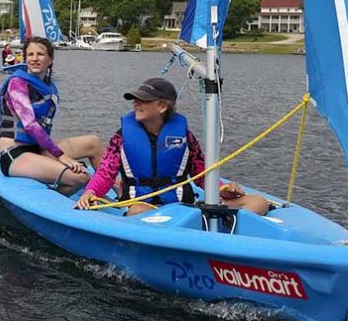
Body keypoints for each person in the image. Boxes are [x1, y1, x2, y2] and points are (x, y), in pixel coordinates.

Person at [75, 77, 270, 216]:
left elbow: (201, 173)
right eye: (135, 99)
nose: (135, 103)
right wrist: (91, 192)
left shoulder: (185, 136)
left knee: (258, 203)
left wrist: (223, 188)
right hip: (143, 206)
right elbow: (106, 172)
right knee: (137, 211)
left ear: (162, 106)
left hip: (182, 207)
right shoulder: (121, 137)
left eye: (143, 100)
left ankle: (221, 239)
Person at [0, 36, 102, 195]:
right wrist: (61, 157)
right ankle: (54, 201)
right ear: (25, 58)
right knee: (80, 177)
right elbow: (29, 124)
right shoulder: (17, 84)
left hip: (38, 149)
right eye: (30, 55)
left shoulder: (49, 87)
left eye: (40, 54)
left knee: (94, 143)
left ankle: (121, 193)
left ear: (50, 59)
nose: (35, 59)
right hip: (15, 154)